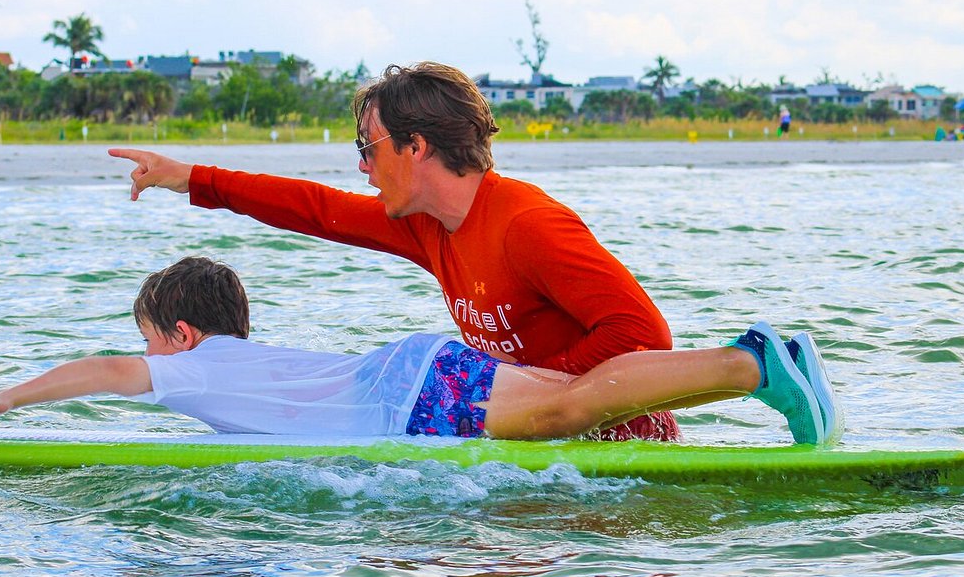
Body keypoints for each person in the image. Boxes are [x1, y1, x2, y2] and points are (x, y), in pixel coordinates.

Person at [109, 62, 680, 442]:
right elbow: (316, 209)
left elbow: (647, 338)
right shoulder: (428, 225)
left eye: (368, 146)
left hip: (617, 452)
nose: (362, 166)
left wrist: (525, 384)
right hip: (538, 441)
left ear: (415, 146)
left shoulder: (528, 225)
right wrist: (190, 178)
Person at [0, 258, 842, 445]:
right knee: (578, 399)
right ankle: (694, 398)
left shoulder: (194, 366)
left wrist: (6, 398)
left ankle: (757, 362)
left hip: (411, 397)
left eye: (150, 345)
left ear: (180, 334)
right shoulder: (251, 366)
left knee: (570, 404)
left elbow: (108, 376)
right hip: (415, 373)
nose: (147, 363)